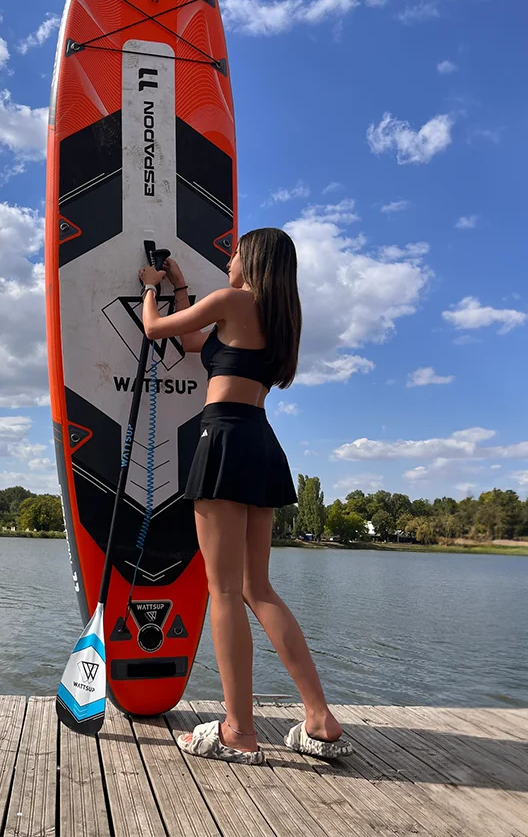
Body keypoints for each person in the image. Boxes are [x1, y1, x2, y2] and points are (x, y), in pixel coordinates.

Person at [138, 227, 354, 766]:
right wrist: (182, 289)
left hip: (225, 437)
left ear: (250, 259)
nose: (228, 260)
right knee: (258, 587)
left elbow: (155, 330)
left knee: (225, 591)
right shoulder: (280, 320)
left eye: (234, 252)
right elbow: (194, 345)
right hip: (261, 442)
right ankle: (320, 721)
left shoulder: (233, 300)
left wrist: (150, 286)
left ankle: (238, 730)